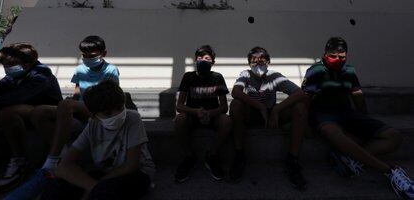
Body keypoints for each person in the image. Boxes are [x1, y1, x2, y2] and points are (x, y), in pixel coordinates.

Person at [302, 37, 414, 199]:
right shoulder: (316, 70)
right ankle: (390, 171)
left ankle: (348, 159)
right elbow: (305, 98)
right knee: (333, 132)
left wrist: (365, 120)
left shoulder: (349, 70)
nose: (337, 60)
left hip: (346, 112)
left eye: (342, 57)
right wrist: (305, 122)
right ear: (325, 54)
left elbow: (357, 95)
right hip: (322, 113)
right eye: (333, 56)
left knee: (394, 137)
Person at [41, 80, 155, 200]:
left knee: (105, 192)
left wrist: (95, 186)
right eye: (108, 113)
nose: (117, 114)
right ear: (95, 115)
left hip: (136, 173)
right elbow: (64, 165)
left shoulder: (132, 118)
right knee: (59, 186)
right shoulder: (93, 125)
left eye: (119, 108)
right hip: (104, 174)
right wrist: (94, 186)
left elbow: (131, 165)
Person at [31, 35, 120, 173]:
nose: (87, 58)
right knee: (39, 111)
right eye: (84, 55)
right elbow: (77, 92)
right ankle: (62, 151)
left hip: (99, 110)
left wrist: (71, 104)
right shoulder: (80, 70)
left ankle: (52, 160)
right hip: (81, 111)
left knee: (67, 105)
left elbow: (112, 97)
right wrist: (72, 101)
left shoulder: (111, 70)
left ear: (104, 53)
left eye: (92, 55)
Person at [229, 47, 309, 189]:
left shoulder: (275, 76)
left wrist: (276, 110)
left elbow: (300, 94)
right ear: (249, 64)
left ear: (268, 62)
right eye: (254, 62)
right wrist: (260, 107)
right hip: (252, 114)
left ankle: (292, 160)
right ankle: (239, 155)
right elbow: (236, 91)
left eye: (262, 61)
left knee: (300, 108)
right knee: (235, 105)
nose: (258, 65)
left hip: (272, 114)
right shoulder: (246, 74)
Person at [0, 43, 62, 193]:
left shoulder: (41, 76)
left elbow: (16, 98)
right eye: (5, 65)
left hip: (48, 113)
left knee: (6, 113)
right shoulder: (17, 74)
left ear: (28, 62)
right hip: (28, 111)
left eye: (11, 64)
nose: (7, 68)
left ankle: (20, 161)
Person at [174, 45, 232, 182]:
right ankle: (189, 157)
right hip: (192, 117)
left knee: (227, 120)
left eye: (207, 58)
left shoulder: (218, 78)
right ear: (195, 60)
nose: (203, 61)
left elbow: (224, 107)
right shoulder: (188, 77)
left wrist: (210, 113)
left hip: (213, 117)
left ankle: (212, 155)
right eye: (199, 58)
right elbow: (179, 106)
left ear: (213, 62)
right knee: (179, 119)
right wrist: (196, 112)